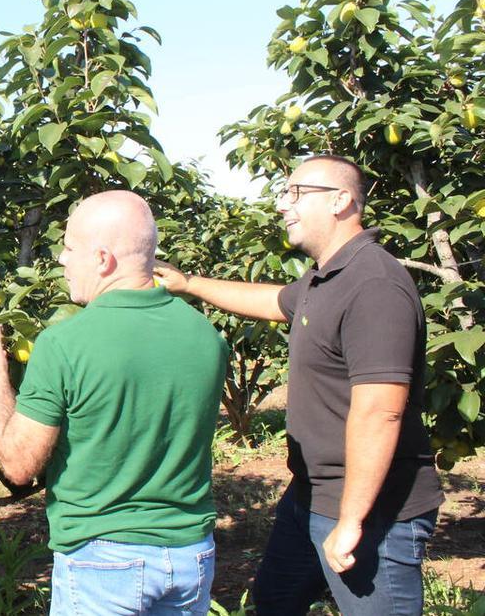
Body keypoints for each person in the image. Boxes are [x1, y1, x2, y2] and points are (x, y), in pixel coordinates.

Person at [154, 155, 443, 614]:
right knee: (274, 603)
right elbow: (275, 300)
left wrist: (351, 521)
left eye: (296, 193)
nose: (283, 205)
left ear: (342, 200)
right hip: (311, 493)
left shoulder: (374, 285)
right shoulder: (327, 277)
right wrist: (191, 283)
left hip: (370, 508)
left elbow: (380, 410)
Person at [0, 190, 229, 615]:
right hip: (191, 554)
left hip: (105, 559)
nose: (62, 261)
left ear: (102, 259)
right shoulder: (205, 336)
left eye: (69, 248)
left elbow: (18, 465)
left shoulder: (64, 343)